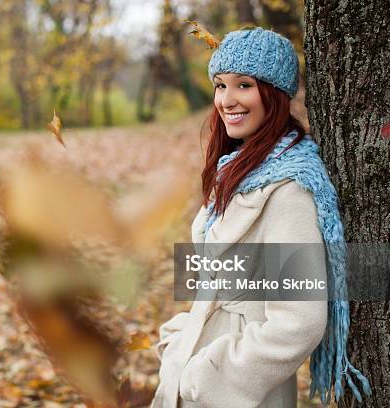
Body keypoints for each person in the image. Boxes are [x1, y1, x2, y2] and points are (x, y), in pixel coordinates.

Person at [150, 27, 370, 408]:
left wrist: (208, 376)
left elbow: (298, 323)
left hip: (235, 391)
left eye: (244, 85)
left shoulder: (289, 189)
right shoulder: (236, 169)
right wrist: (177, 342)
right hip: (195, 367)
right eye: (220, 85)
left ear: (274, 93)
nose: (227, 100)